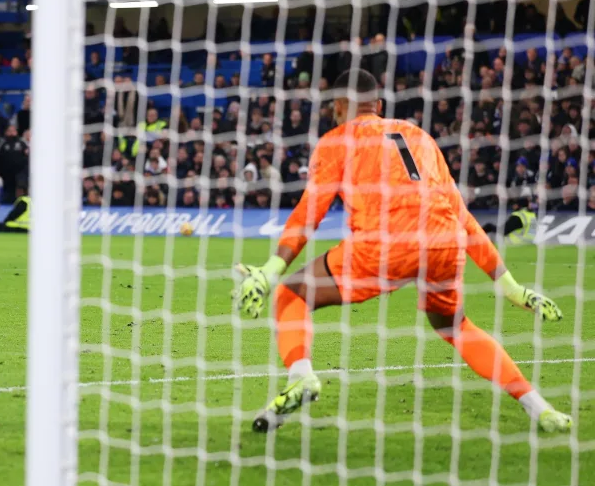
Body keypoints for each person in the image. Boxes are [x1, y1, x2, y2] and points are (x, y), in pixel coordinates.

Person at [234, 69, 571, 433]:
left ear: (338, 107)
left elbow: (307, 214)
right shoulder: (419, 136)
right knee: (455, 326)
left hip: (384, 245)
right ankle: (541, 409)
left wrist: (270, 271)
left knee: (291, 293)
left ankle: (301, 377)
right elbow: (463, 216)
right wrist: (510, 285)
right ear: (377, 106)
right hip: (444, 243)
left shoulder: (337, 140)